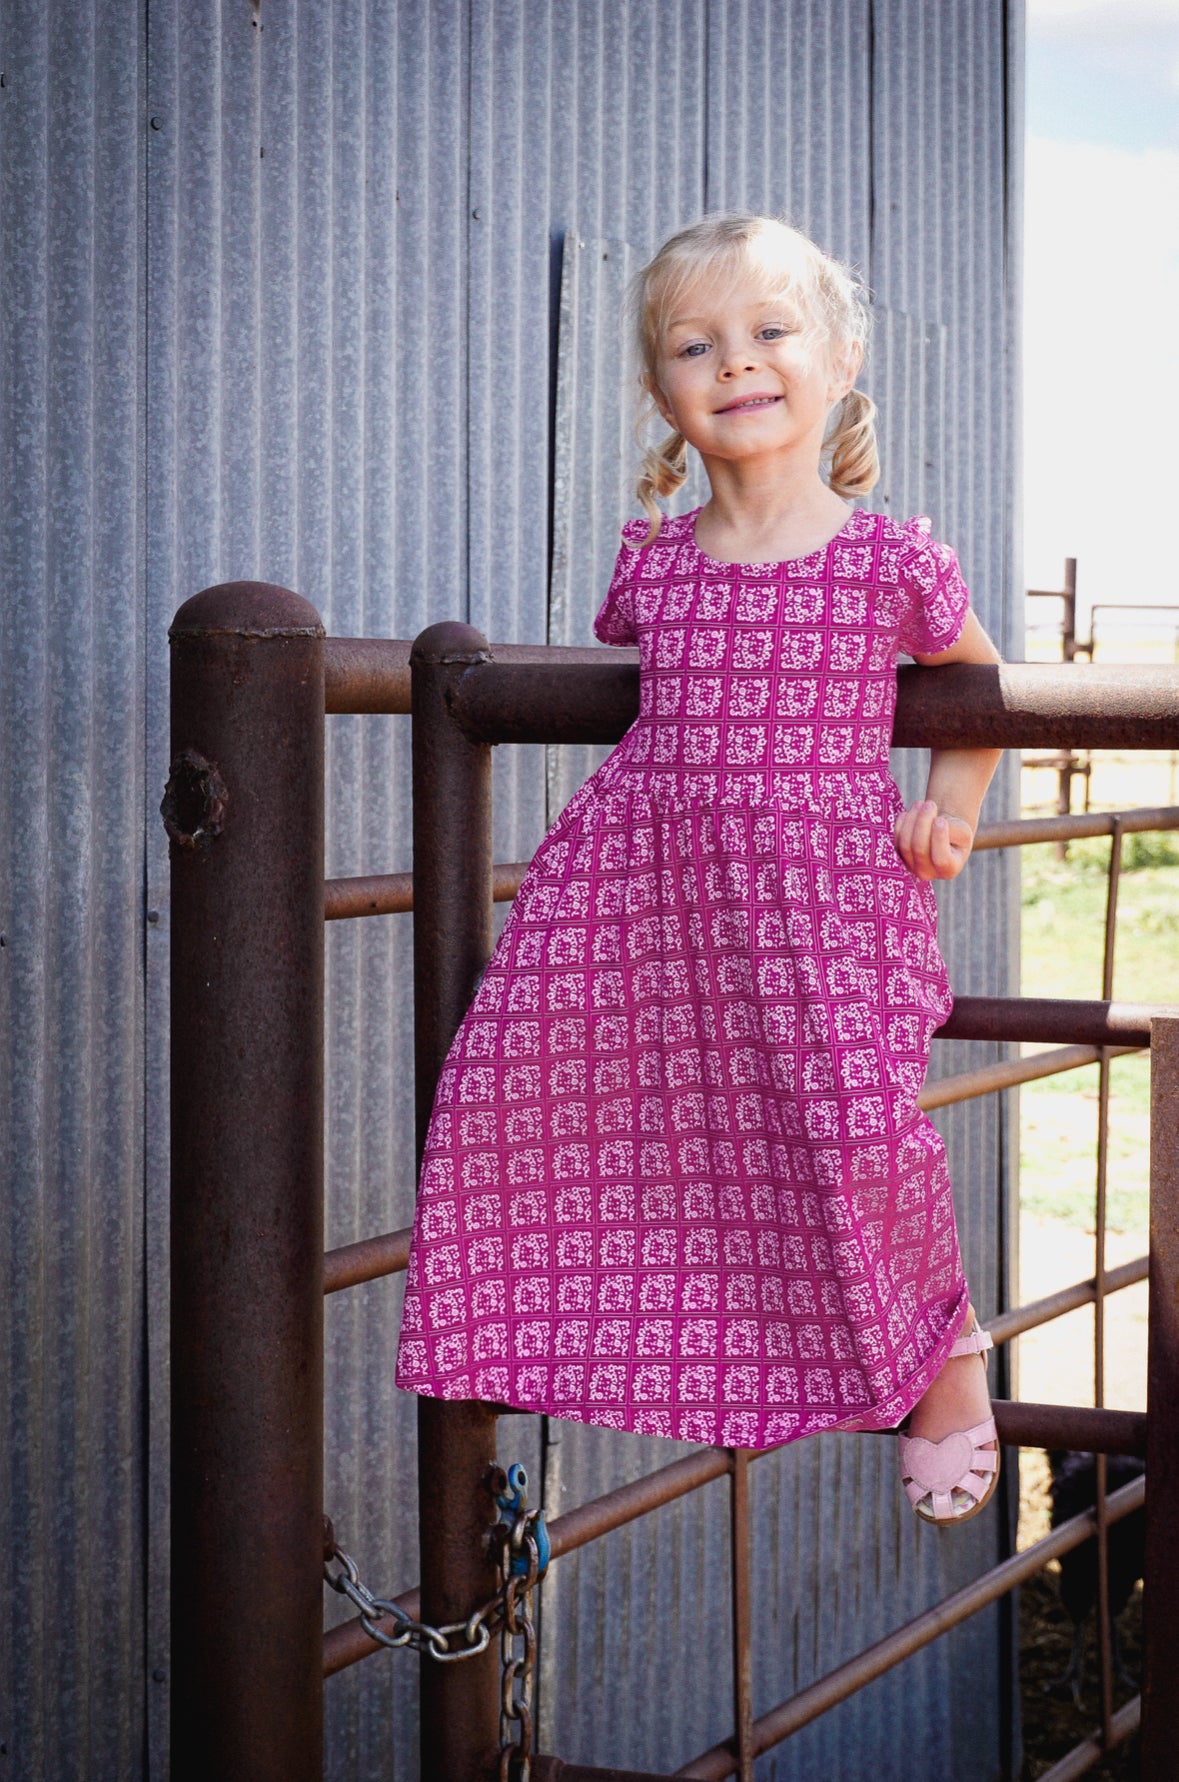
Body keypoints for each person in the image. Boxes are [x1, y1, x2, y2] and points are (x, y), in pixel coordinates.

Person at [395, 212, 1004, 1526]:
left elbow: (980, 684)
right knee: (551, 1108)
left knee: (858, 1126)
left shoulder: (887, 560)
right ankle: (596, 1347)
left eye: (770, 331)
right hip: (652, 901)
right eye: (694, 345)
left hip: (827, 900)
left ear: (840, 360)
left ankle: (942, 1337)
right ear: (659, 388)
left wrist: (947, 809)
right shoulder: (658, 567)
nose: (735, 361)